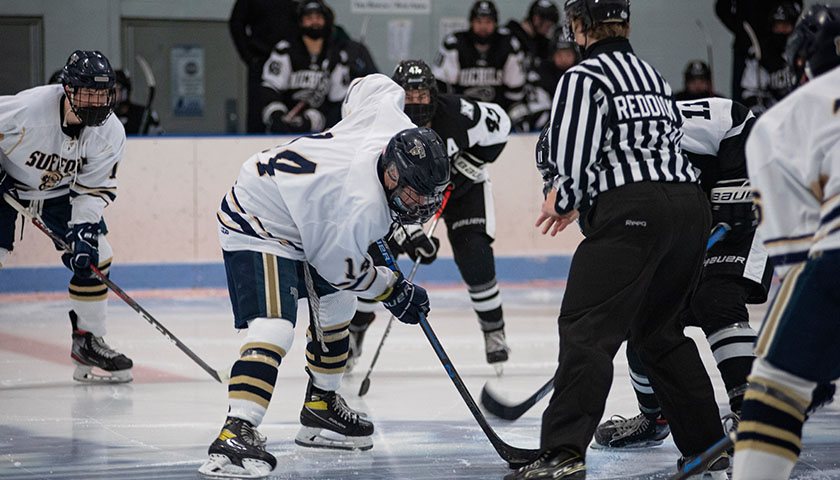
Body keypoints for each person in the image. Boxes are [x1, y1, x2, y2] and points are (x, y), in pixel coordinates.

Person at [508, 1, 728, 478]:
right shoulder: (652, 75)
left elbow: (572, 156)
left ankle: (563, 452)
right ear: (624, 23)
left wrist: (561, 197)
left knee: (586, 329)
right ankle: (708, 444)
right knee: (659, 333)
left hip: (633, 213)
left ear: (580, 26)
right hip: (689, 211)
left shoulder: (583, 78)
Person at [198, 73, 450, 479]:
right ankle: (235, 431)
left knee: (338, 305)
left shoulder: (393, 123)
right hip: (259, 219)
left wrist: (348, 123)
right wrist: (391, 288)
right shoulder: (358, 204)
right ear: (391, 175)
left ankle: (321, 408)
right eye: (413, 194)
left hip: (310, 212)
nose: (421, 204)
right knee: (276, 327)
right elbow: (343, 268)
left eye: (428, 195)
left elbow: (373, 85)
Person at [593, 97, 773, 449]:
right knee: (644, 316)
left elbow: (738, 118)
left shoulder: (645, 128)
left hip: (747, 211)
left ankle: (752, 412)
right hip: (697, 224)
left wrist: (736, 185)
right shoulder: (610, 174)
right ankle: (655, 416)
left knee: (715, 299)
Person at [346, 60, 513, 374]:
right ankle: (354, 334)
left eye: (422, 96)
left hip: (460, 190)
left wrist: (470, 163)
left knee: (474, 252)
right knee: (379, 259)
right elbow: (376, 189)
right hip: (407, 196)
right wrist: (409, 235)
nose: (415, 103)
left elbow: (501, 125)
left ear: (434, 95)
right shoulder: (381, 124)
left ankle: (494, 332)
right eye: (408, 95)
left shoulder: (459, 113)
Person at [732, 6, 840, 480]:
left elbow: (796, 258)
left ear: (802, 60)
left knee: (773, 388)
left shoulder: (783, 121)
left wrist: (801, 365)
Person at [0, 50, 132, 383]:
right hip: (7, 185)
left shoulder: (110, 133)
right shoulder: (27, 111)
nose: (95, 101)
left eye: (102, 93)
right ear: (68, 90)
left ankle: (87, 340)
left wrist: (84, 230)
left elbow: (92, 189)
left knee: (97, 254)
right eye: (87, 92)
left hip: (59, 194)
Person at [260, 0, 378, 134]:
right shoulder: (285, 50)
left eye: (318, 18)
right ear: (300, 21)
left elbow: (338, 100)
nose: (314, 22)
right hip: (283, 126)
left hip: (319, 132)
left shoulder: (337, 55)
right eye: (309, 18)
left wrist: (314, 119)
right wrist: (276, 114)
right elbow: (269, 87)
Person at [432, 1, 526, 111]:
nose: (483, 27)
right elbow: (441, 86)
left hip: (499, 113)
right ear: (471, 22)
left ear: (495, 23)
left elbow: (515, 91)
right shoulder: (454, 44)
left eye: (488, 22)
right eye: (479, 21)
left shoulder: (508, 44)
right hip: (461, 113)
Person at [228, 0, 300, 133]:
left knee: (294, 111)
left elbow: (313, 17)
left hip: (294, 64)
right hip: (261, 61)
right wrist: (250, 58)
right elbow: (236, 23)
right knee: (258, 111)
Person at [715, 0, 803, 103]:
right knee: (743, 99)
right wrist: (743, 32)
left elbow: (797, 5)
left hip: (783, 43)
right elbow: (722, 8)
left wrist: (785, 18)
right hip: (748, 47)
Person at [508, 25, 580, 132]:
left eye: (568, 54)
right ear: (552, 54)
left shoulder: (583, 73)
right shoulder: (541, 73)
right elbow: (539, 109)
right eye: (560, 54)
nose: (564, 59)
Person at [739, 1, 801, 115]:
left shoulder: (806, 51)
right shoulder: (760, 54)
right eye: (777, 27)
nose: (781, 31)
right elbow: (751, 91)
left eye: (785, 26)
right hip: (772, 115)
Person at [505, 0, 561, 79]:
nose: (548, 30)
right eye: (548, 25)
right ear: (536, 19)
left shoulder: (542, 43)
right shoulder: (509, 37)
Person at [114, 70, 162, 135]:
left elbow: (158, 141)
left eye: (117, 89)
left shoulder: (146, 115)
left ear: (126, 91)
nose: (112, 94)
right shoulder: (105, 117)